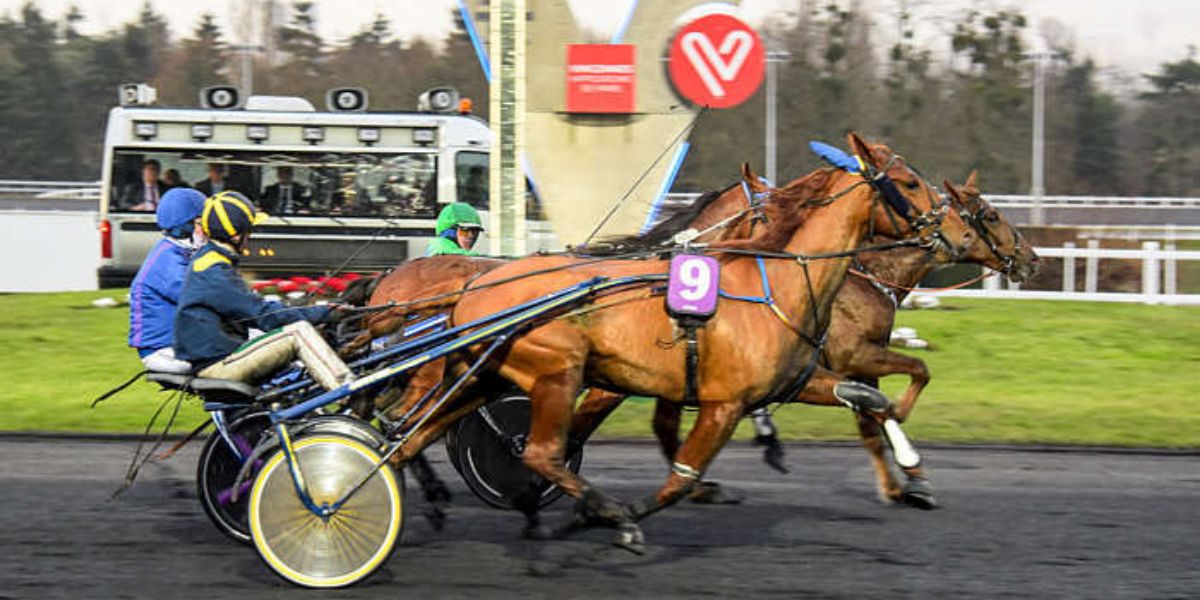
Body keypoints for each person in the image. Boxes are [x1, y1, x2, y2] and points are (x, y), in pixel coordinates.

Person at [174, 191, 353, 390]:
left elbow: (255, 308)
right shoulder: (212, 270)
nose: (250, 237)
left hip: (221, 357)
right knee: (298, 333)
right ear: (235, 235)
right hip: (218, 366)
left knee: (303, 329)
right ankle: (348, 389)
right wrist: (325, 312)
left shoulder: (211, 261)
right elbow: (265, 316)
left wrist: (302, 307)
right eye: (249, 230)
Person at [127, 188, 208, 373]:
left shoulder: (174, 252)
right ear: (186, 226)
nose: (207, 230)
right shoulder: (168, 260)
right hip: (164, 352)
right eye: (201, 223)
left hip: (172, 345)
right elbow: (199, 298)